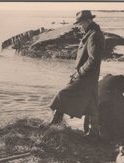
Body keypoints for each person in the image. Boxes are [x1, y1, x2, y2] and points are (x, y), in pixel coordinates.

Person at [49, 10, 105, 140]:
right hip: (89, 77)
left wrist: (80, 72)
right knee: (92, 103)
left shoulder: (94, 36)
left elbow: (94, 59)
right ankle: (94, 133)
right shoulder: (92, 33)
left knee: (62, 94)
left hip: (85, 76)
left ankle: (55, 123)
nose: (80, 26)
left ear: (88, 21)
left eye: (81, 23)